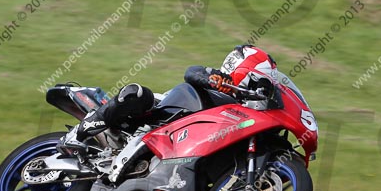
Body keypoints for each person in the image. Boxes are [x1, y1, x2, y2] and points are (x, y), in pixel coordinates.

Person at [64, 45, 278, 151]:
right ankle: (76, 136)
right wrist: (213, 81)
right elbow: (191, 72)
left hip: (181, 143)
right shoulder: (218, 78)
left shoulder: (241, 111)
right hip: (160, 114)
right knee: (136, 93)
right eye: (259, 84)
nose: (260, 90)